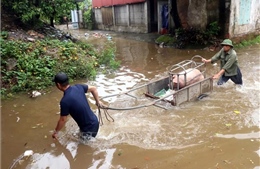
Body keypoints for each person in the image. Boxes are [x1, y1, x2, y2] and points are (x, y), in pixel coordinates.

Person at [52, 72, 105, 141]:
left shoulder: (64, 101)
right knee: (82, 138)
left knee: (83, 146)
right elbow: (93, 88)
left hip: (89, 128)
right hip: (94, 121)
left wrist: (55, 132)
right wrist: (98, 101)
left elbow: (63, 120)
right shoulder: (78, 87)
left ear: (58, 85)